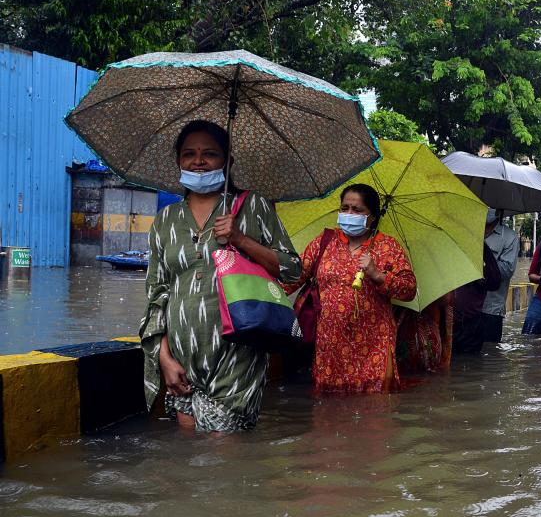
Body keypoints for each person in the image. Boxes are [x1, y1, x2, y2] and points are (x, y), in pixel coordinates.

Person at [140, 120, 303, 432]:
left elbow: (292, 268)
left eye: (209, 154)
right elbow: (156, 295)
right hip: (182, 355)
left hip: (237, 351)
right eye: (189, 154)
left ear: (228, 162)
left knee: (223, 455)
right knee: (190, 459)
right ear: (178, 161)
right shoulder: (165, 220)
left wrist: (241, 239)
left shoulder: (252, 206)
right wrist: (165, 360)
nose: (198, 161)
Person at [284, 184, 416, 393]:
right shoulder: (324, 242)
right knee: (329, 411)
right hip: (330, 346)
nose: (349, 214)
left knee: (374, 411)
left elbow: (409, 290)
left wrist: (378, 275)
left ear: (371, 216)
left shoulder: (388, 247)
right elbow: (292, 278)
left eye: (357, 210)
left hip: (374, 346)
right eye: (345, 208)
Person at [452, 243, 502, 353]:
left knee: (469, 363)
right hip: (447, 323)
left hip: (470, 326)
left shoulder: (479, 250)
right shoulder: (445, 253)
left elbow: (494, 282)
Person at [480, 208, 521, 343]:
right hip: (466, 306)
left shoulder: (510, 237)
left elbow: (507, 270)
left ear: (498, 210)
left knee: (489, 355)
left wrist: (484, 262)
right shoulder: (468, 231)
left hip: (491, 308)